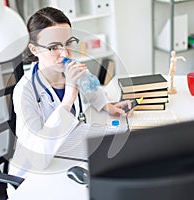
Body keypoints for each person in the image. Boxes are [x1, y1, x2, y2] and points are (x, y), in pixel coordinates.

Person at [10, 7, 133, 178]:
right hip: (34, 174)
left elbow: (92, 88)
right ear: (34, 49)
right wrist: (68, 98)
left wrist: (108, 106)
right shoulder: (24, 92)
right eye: (53, 47)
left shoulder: (71, 69)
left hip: (70, 151)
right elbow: (38, 157)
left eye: (68, 43)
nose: (65, 53)